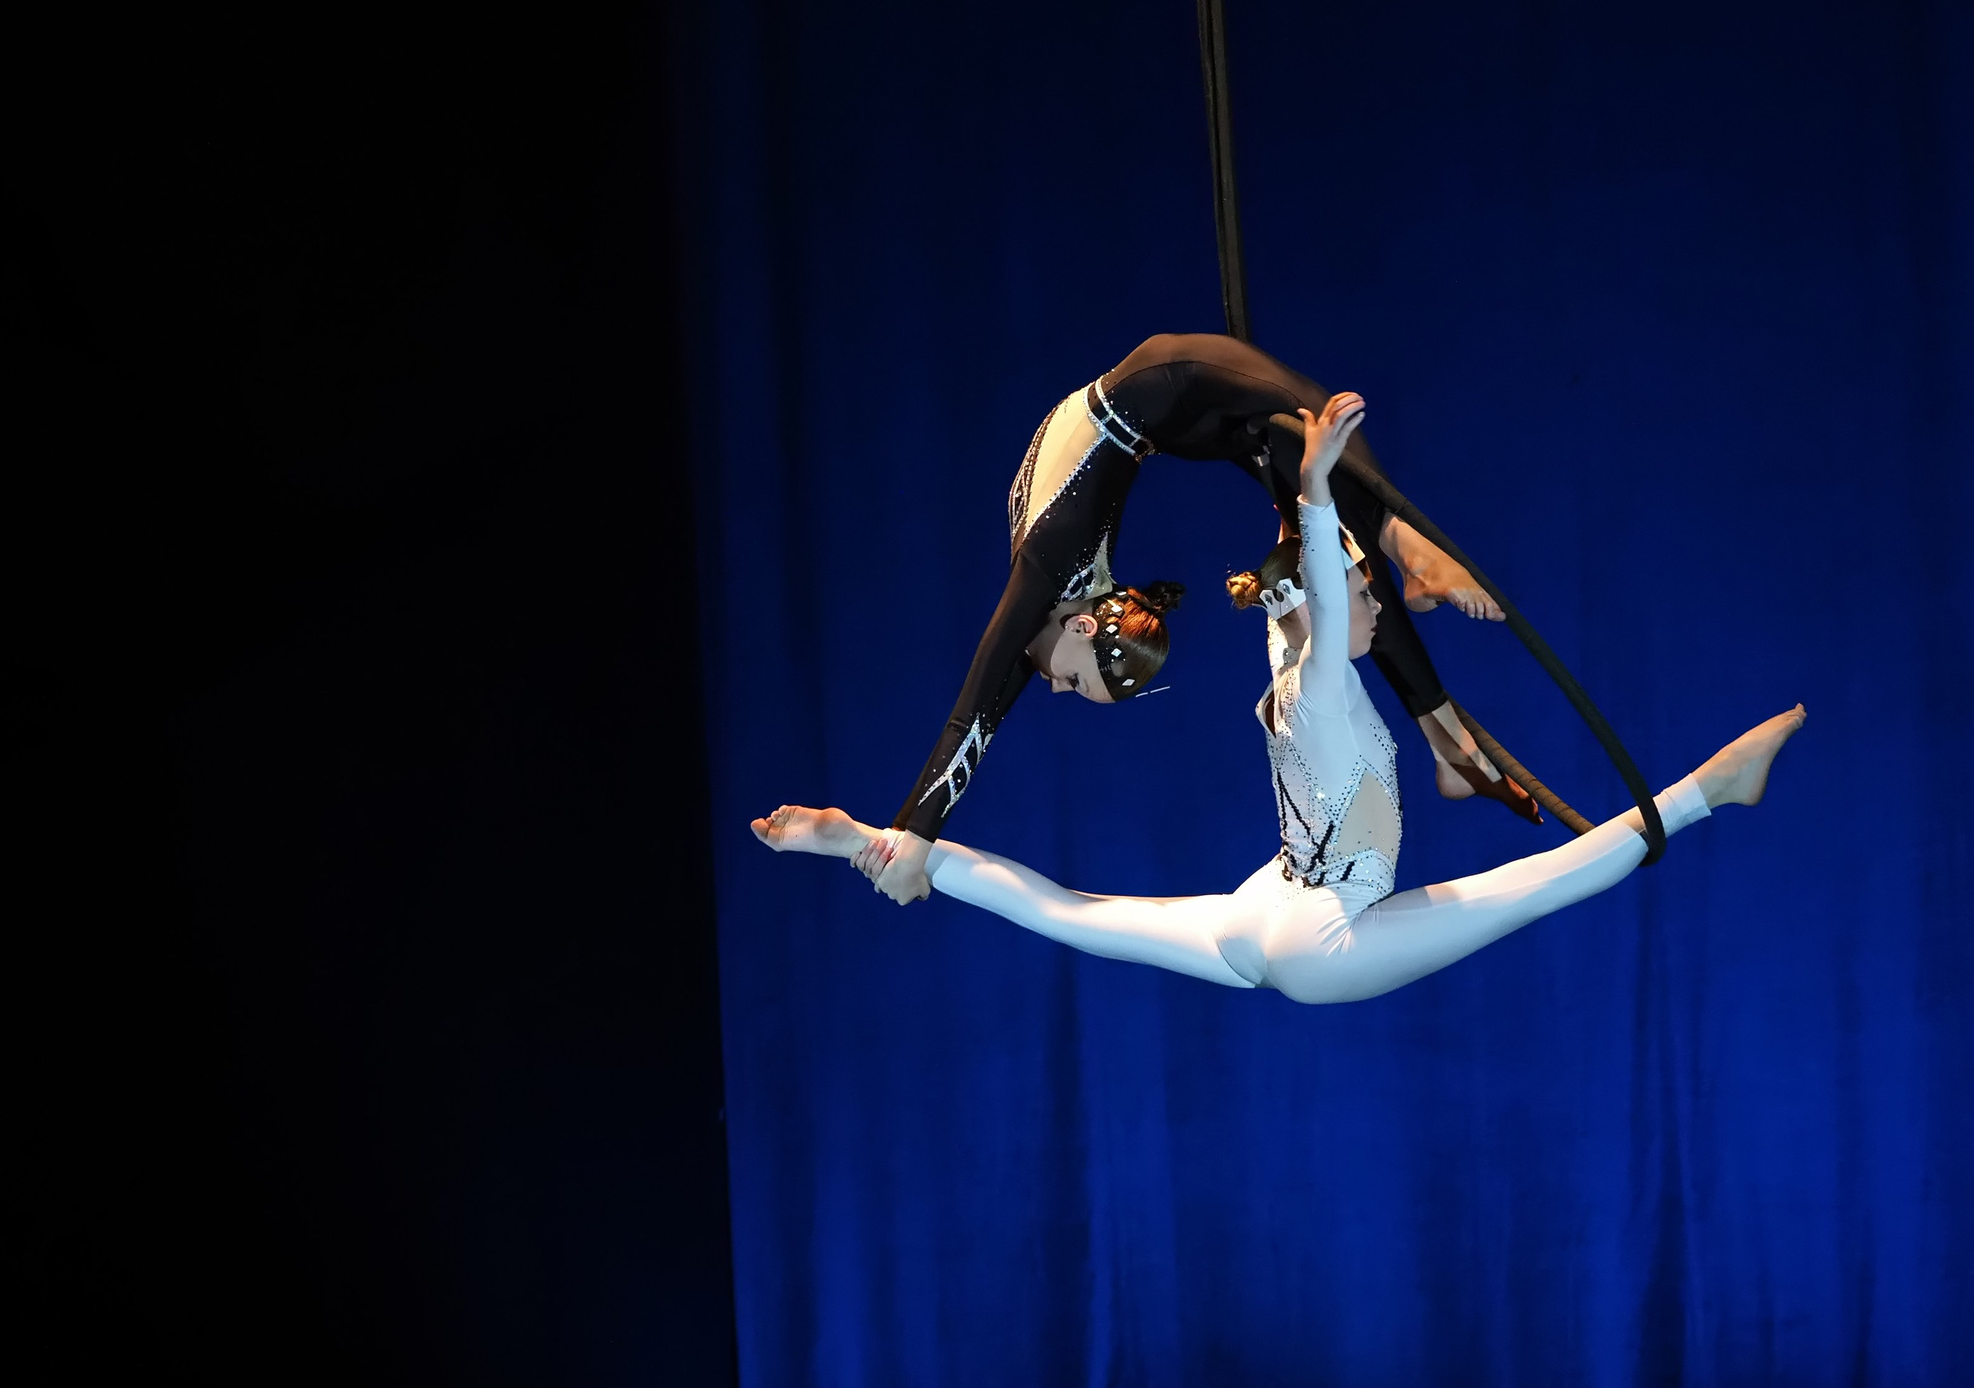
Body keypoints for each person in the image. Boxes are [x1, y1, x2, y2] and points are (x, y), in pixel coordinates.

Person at [758, 394, 1806, 1005]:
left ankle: (872, 842)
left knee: (1073, 915)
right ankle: (1708, 791)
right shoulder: (1315, 689)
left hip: (1269, 909)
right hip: (1317, 928)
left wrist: (1304, 503)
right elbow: (1317, 583)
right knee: (1531, 886)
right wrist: (1310, 488)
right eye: (1368, 597)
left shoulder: (1289, 666)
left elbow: (1298, 588)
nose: (1377, 613)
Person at [865, 333, 1533, 908]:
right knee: (1323, 504)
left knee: (1315, 434)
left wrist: (913, 841)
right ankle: (1445, 732)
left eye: (1072, 682)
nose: (1051, 686)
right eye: (1073, 684)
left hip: (1169, 382)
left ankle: (1412, 562)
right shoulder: (1059, 603)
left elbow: (974, 710)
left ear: (1084, 628)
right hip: (1173, 422)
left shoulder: (1047, 569)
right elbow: (982, 719)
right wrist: (910, 841)